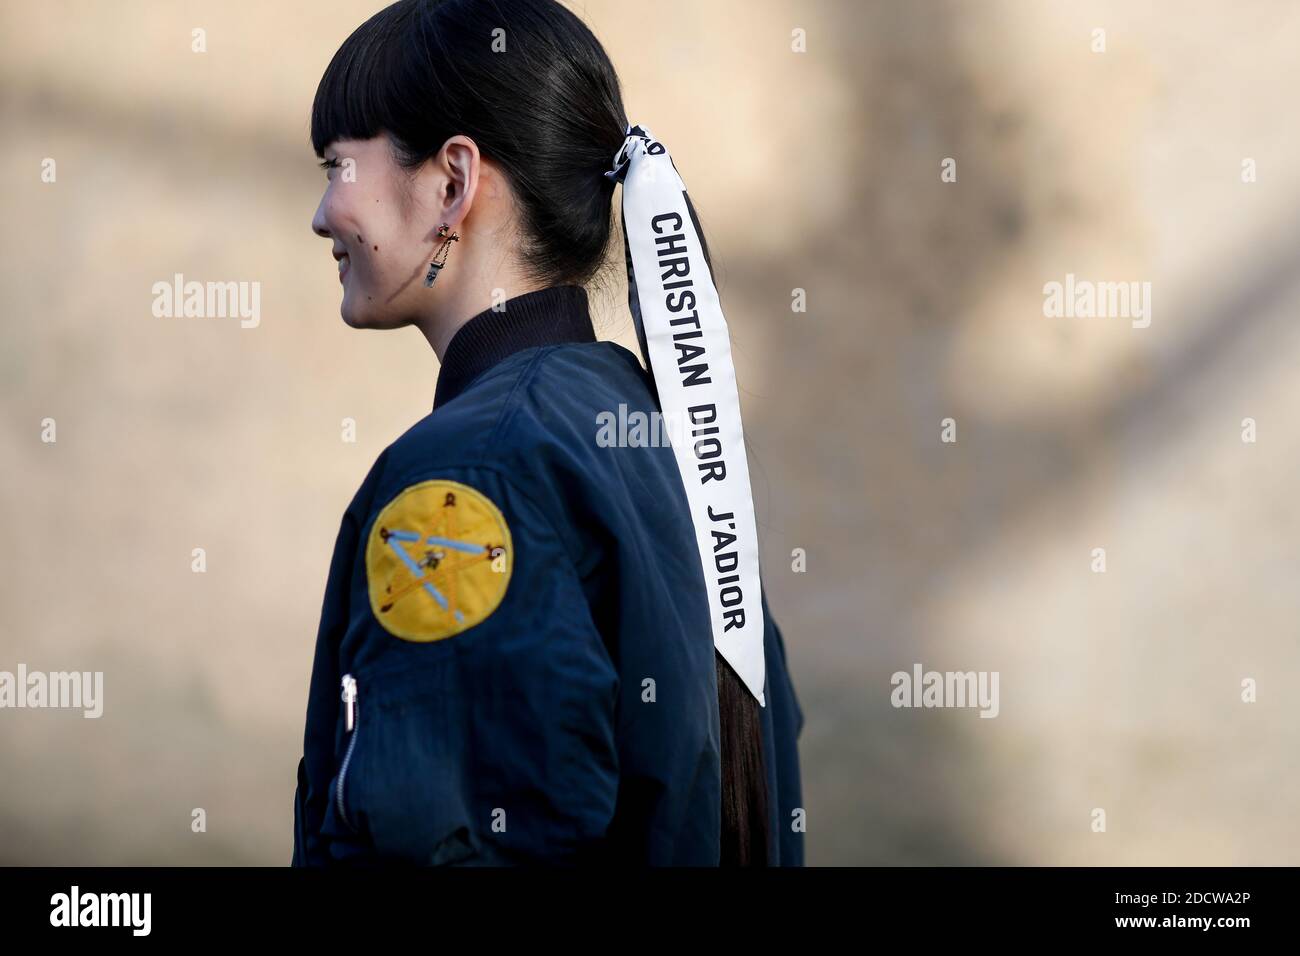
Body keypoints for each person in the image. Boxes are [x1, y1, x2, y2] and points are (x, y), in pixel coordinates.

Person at [291, 0, 804, 866]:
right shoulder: (639, 432)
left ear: (453, 181)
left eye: (339, 165)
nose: (320, 215)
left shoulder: (470, 476)